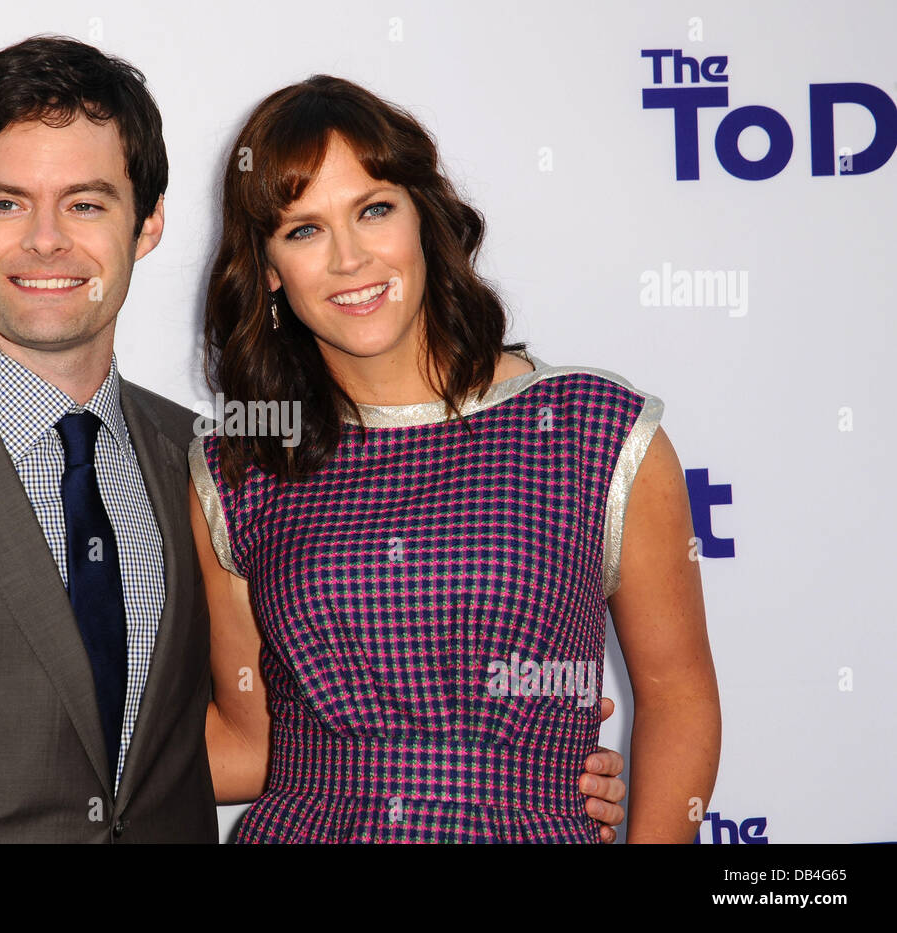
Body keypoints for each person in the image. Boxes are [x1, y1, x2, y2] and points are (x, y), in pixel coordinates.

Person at [0, 36, 629, 843]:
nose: (45, 241)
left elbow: (269, 729)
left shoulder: (216, 463)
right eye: (4, 203)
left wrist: (522, 764)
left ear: (146, 225)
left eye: (87, 203)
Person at [190, 75, 720, 842]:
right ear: (269, 269)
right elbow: (249, 741)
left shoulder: (591, 432)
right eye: (303, 230)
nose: (348, 258)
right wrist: (13, 761)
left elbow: (677, 697)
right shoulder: (239, 463)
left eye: (374, 210)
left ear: (422, 220)